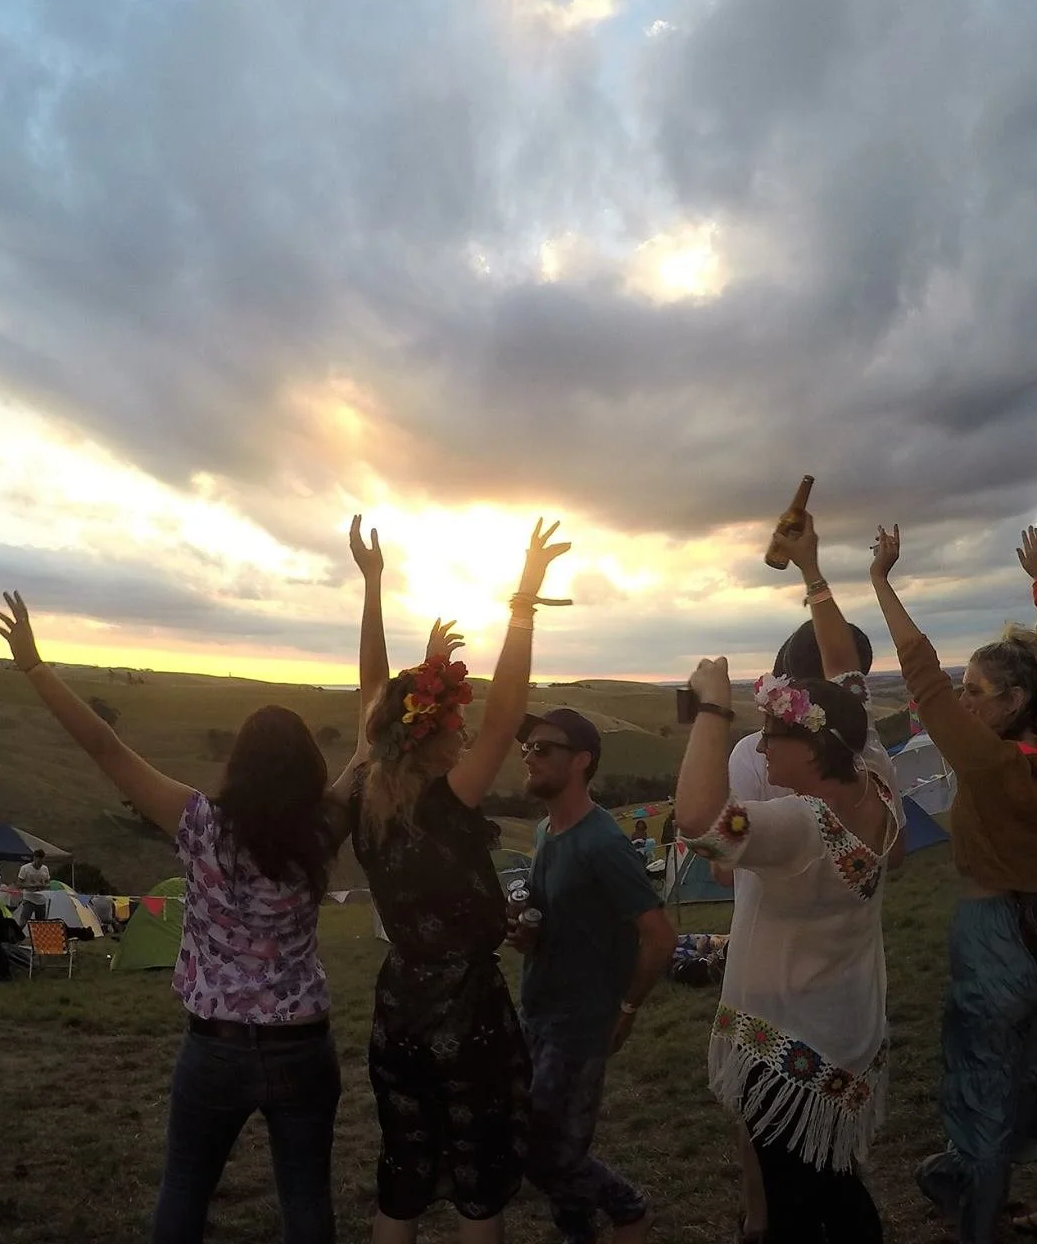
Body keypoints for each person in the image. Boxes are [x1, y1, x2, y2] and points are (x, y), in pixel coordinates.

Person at [0, 519, 404, 1244]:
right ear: (309, 767)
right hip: (302, 1046)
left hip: (212, 1047)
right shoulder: (325, 823)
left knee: (183, 1200)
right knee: (307, 1207)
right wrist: (373, 586)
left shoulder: (198, 824)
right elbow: (375, 723)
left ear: (239, 765)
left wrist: (34, 667)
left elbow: (105, 746)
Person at [876, 523, 1037, 1244]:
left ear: (1010, 703)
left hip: (993, 942)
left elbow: (919, 673)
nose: (964, 701)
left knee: (983, 1085)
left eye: (976, 692)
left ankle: (975, 1226)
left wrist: (881, 582)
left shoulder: (992, 763)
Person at [675, 512, 902, 1244]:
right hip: (845, 1030)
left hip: (787, 1046)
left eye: (775, 735)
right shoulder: (875, 781)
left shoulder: (804, 829)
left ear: (811, 748)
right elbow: (846, 679)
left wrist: (711, 707)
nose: (762, 746)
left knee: (803, 1202)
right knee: (833, 1185)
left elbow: (701, 822)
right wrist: (813, 572)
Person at [348, 518, 572, 1244]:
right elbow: (507, 716)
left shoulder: (367, 797)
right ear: (435, 736)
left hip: (398, 1007)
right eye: (456, 729)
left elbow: (374, 699)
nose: (469, 738)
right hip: (463, 1010)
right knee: (478, 1188)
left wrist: (374, 586)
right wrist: (523, 600)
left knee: (404, 1179)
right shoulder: (449, 801)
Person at [509, 705, 673, 1244]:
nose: (529, 756)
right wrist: (529, 931)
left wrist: (627, 1009)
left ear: (581, 761)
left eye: (543, 748)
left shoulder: (603, 841)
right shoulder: (544, 831)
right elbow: (550, 913)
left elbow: (658, 935)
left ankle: (629, 1211)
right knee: (543, 1140)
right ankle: (577, 1231)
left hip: (582, 1023)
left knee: (548, 1151)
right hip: (539, 1007)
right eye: (527, 747)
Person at [15, 849, 52, 926]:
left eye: (41, 861)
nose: (39, 864)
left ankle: (40, 937)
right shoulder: (25, 868)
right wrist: (31, 886)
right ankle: (16, 936)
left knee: (41, 924)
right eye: (38, 861)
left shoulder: (45, 869)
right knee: (23, 922)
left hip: (41, 900)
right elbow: (18, 884)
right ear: (34, 858)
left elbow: (48, 883)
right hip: (29, 898)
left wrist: (44, 886)